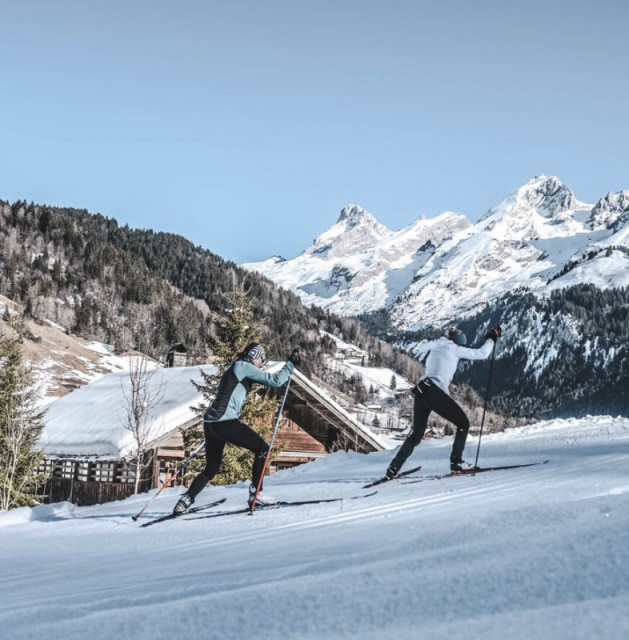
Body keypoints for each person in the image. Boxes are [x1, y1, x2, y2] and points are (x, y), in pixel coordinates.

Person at [173, 342, 301, 514]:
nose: (262, 364)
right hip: (225, 422)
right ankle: (257, 494)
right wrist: (290, 363)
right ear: (254, 356)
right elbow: (276, 381)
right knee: (262, 449)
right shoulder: (244, 366)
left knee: (212, 467)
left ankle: (185, 500)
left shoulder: (235, 369)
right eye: (261, 359)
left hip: (211, 424)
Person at [384, 325, 501, 478]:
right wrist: (492, 337)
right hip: (435, 393)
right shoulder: (454, 348)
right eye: (462, 341)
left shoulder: (436, 345)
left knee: (415, 436)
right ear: (458, 341)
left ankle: (393, 469)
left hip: (421, 391)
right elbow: (482, 353)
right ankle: (456, 463)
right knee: (463, 424)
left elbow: (418, 349)